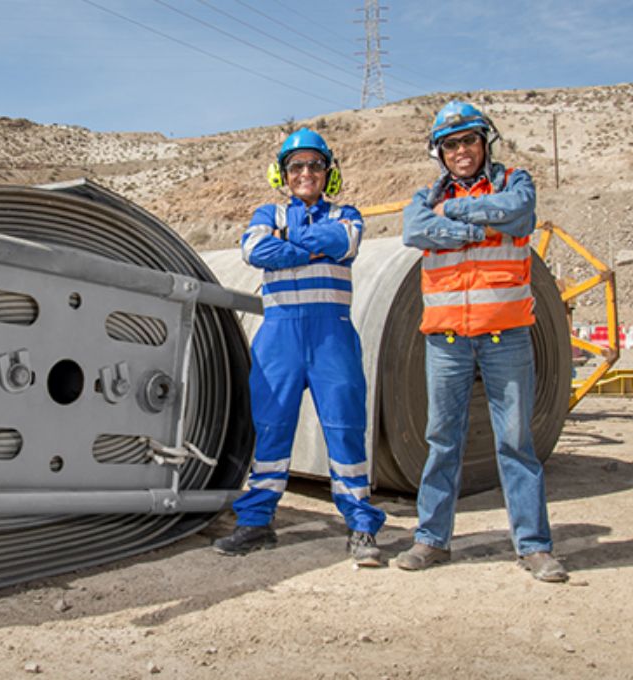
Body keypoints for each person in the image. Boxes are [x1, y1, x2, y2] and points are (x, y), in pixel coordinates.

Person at [396, 101, 567, 582]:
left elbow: (517, 213)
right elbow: (414, 229)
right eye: (451, 144)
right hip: (446, 341)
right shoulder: (420, 196)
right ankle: (432, 540)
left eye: (469, 140)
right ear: (441, 153)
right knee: (441, 442)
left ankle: (533, 546)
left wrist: (449, 213)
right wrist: (479, 227)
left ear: (484, 142)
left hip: (505, 336)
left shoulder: (515, 181)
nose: (461, 151)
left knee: (516, 442)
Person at [212, 128, 386, 567]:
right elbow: (254, 249)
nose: (305, 172)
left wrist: (287, 246)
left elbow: (342, 242)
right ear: (282, 174)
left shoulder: (347, 213)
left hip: (332, 336)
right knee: (270, 427)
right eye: (296, 166)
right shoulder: (264, 212)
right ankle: (256, 523)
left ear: (328, 172)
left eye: (314, 165)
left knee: (345, 428)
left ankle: (362, 527)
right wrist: (307, 249)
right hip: (280, 337)